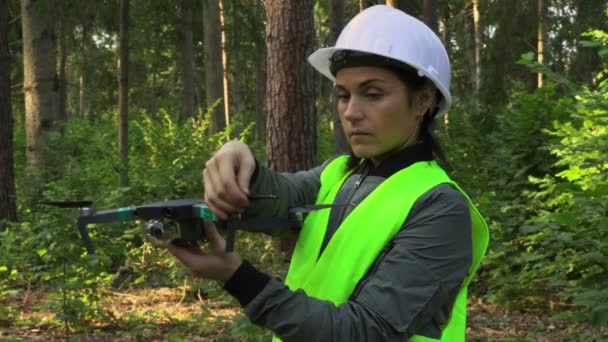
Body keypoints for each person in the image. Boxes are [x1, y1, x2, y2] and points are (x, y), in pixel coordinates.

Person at [166, 5, 489, 341]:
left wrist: (239, 278)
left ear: (423, 100)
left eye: (372, 94)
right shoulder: (337, 175)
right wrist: (239, 160)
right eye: (343, 95)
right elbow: (274, 198)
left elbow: (365, 331)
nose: (350, 113)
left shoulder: (439, 207)